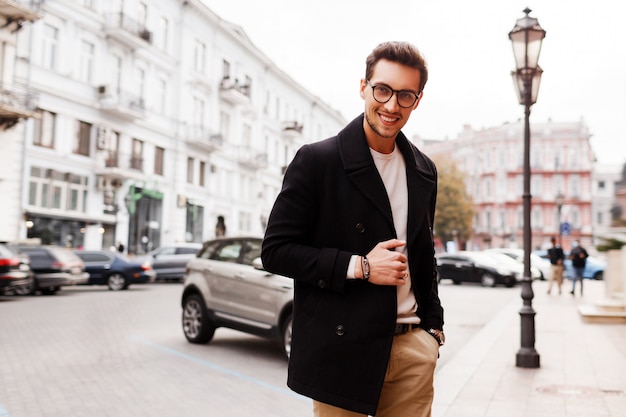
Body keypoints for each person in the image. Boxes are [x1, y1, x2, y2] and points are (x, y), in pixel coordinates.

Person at [262, 41, 444, 417]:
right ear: (363, 87)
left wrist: (434, 329)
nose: (392, 106)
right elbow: (276, 251)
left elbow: (424, 255)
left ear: (418, 100)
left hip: (412, 350)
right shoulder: (318, 160)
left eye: (405, 95)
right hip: (343, 350)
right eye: (383, 90)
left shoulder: (423, 170)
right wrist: (360, 266)